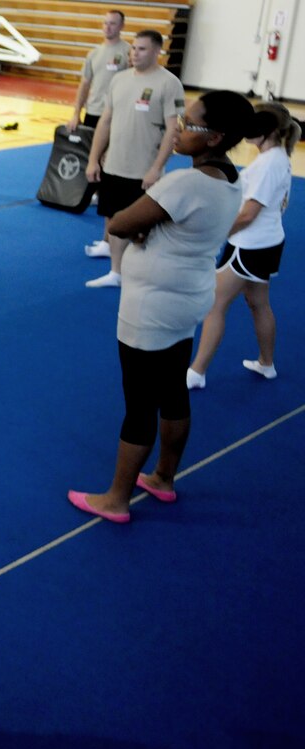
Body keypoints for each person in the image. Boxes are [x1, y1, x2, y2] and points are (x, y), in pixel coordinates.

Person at [67, 91, 255, 523]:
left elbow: (117, 222)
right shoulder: (230, 176)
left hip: (154, 304)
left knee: (139, 402)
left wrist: (139, 230)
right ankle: (163, 478)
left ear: (215, 138)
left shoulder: (184, 183)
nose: (178, 131)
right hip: (189, 295)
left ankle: (115, 499)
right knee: (172, 390)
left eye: (189, 126)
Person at [187, 103, 299, 389]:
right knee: (257, 302)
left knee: (214, 304)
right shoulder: (276, 157)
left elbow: (249, 214)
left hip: (249, 245)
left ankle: (197, 372)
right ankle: (266, 363)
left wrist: (216, 233)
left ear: (268, 130)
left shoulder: (268, 164)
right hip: (267, 242)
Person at [84, 30, 184, 288]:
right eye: (133, 48)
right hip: (114, 164)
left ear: (156, 52)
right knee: (114, 219)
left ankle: (143, 272)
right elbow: (105, 121)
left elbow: (173, 129)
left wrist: (156, 168)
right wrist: (94, 158)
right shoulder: (119, 80)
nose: (134, 53)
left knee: (142, 228)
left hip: (143, 170)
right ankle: (116, 272)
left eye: (141, 49)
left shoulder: (168, 83)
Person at [67, 10, 130, 258]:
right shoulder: (94, 53)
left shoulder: (127, 52)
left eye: (113, 24)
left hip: (115, 113)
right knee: (93, 155)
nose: (108, 27)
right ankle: (94, 193)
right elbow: (84, 84)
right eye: (105, 23)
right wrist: (75, 113)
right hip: (94, 111)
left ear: (122, 26)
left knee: (108, 157)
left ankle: (106, 197)